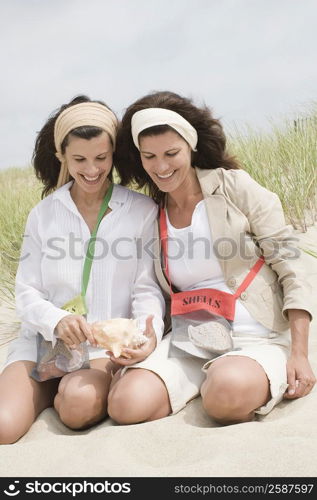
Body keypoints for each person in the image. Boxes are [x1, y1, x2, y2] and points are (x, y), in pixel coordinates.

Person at [107, 90, 316, 426]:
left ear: (190, 146)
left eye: (171, 153)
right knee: (125, 405)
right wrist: (145, 341)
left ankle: (229, 378)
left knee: (223, 395)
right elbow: (148, 291)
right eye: (150, 156)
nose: (161, 167)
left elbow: (293, 267)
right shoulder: (151, 213)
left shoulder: (235, 187)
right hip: (192, 338)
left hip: (256, 335)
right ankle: (200, 380)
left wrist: (300, 353)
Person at [0, 95, 165, 444]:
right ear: (61, 156)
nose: (92, 170)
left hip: (102, 350)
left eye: (101, 158)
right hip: (44, 344)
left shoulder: (140, 210)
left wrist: (147, 333)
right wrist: (56, 320)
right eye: (79, 159)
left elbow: (146, 288)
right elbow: (27, 293)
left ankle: (66, 392)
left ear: (113, 155)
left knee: (77, 405)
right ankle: (46, 391)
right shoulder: (43, 214)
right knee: (3, 425)